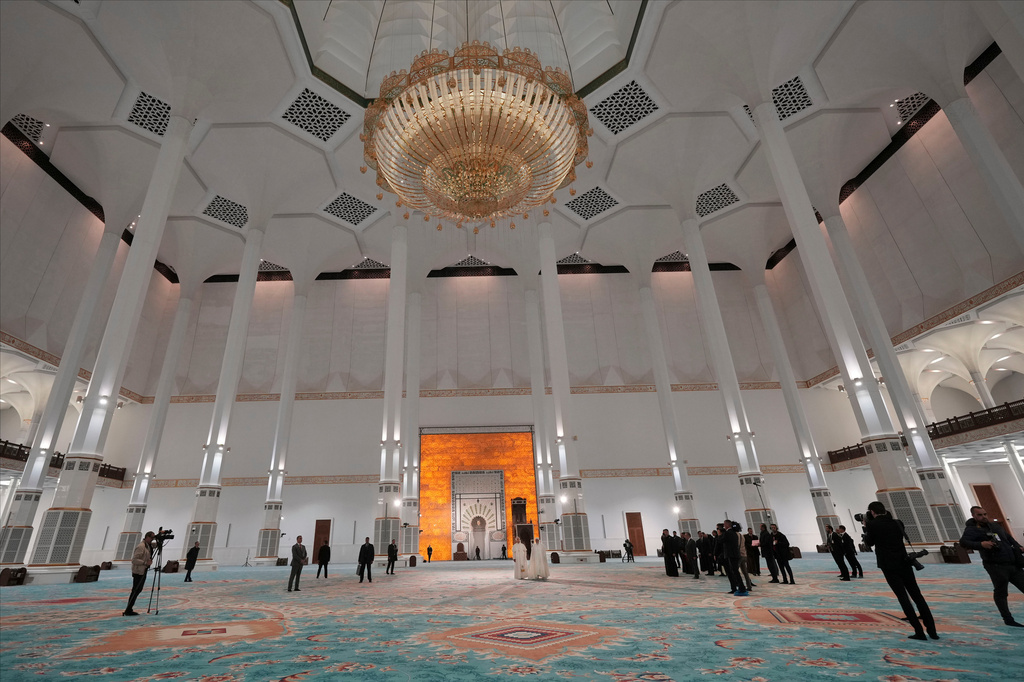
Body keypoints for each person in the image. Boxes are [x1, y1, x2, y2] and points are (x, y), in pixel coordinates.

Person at [863, 501, 937, 640]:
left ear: (872, 512)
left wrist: (867, 527)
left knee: (903, 597)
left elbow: (870, 543)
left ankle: (919, 632)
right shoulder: (897, 522)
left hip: (888, 565)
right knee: (917, 595)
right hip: (904, 561)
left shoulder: (873, 524)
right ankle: (932, 631)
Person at [959, 505, 1024, 627]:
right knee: (1001, 593)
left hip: (1012, 563)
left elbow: (1008, 538)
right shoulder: (972, 529)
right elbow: (963, 542)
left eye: (984, 514)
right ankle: (1008, 619)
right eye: (980, 515)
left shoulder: (994, 526)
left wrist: (1018, 547)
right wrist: (981, 544)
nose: (983, 517)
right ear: (974, 516)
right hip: (995, 565)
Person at [123, 531, 154, 616]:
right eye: (151, 538)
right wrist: (145, 563)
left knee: (138, 590)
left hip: (142, 570)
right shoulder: (141, 547)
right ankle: (128, 609)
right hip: (138, 571)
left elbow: (152, 548)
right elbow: (134, 560)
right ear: (147, 537)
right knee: (135, 590)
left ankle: (129, 608)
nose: (152, 540)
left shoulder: (147, 546)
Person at [722, 519, 746, 595]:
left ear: (727, 525)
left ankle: (741, 588)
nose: (724, 526)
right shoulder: (734, 533)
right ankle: (741, 587)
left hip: (731, 555)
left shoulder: (728, 533)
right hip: (735, 554)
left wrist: (720, 534)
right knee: (736, 572)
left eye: (724, 524)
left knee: (735, 572)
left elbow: (721, 541)